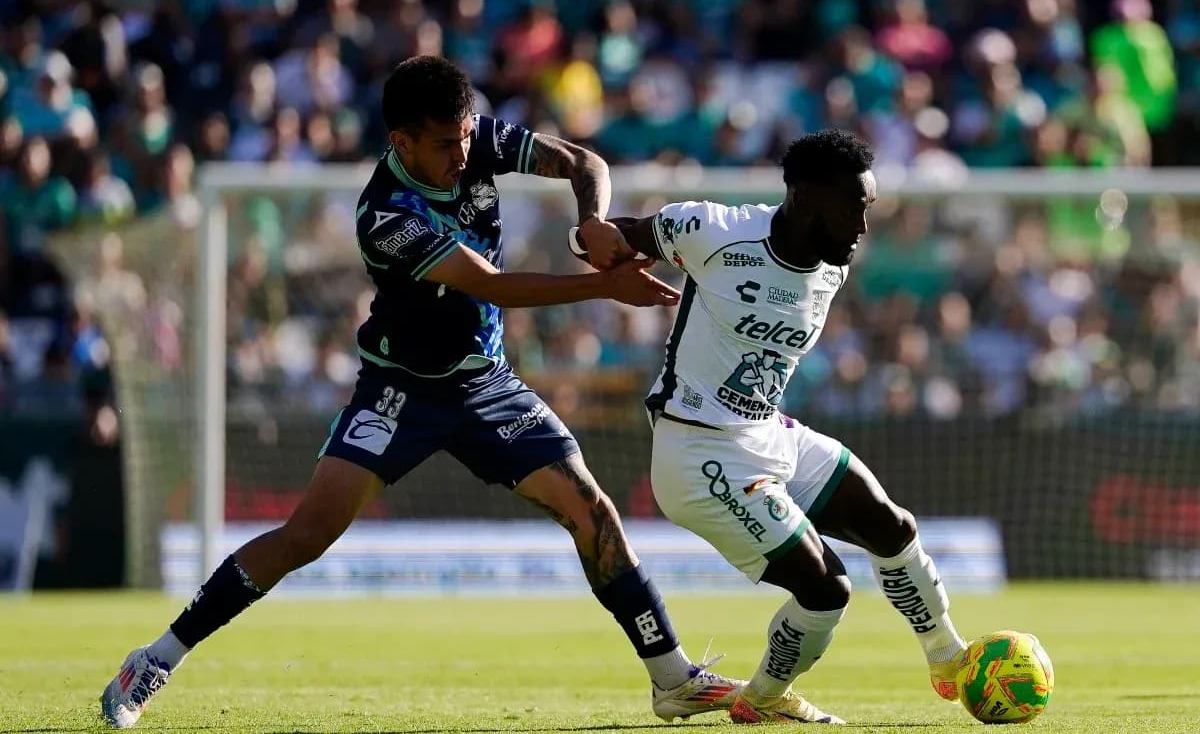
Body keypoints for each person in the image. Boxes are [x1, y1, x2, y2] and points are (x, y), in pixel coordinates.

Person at [100, 56, 744, 729]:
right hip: (400, 391)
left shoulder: (476, 140)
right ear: (400, 142)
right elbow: (492, 285)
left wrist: (592, 220)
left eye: (466, 136)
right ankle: (155, 658)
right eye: (444, 144)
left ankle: (671, 677)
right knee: (306, 536)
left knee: (591, 510)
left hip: (486, 383)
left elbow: (585, 162)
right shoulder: (385, 213)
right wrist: (606, 285)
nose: (462, 155)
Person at [573, 129, 969, 724]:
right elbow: (613, 239)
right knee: (826, 590)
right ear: (804, 199)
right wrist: (591, 242)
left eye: (868, 209)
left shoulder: (833, 265)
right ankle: (761, 701)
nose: (863, 227)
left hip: (769, 432)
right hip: (699, 451)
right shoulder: (714, 231)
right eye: (853, 209)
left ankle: (949, 658)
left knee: (891, 526)